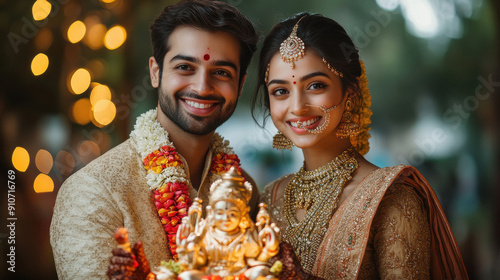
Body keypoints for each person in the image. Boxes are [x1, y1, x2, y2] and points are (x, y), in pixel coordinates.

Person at [50, 0, 259, 279]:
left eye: (221, 73)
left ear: (240, 85)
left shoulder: (243, 190)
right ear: (155, 72)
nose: (201, 87)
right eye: (185, 67)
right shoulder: (94, 192)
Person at [252, 13, 469, 279]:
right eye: (280, 91)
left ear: (350, 95)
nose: (297, 107)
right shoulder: (269, 198)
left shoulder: (392, 198)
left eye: (316, 86)